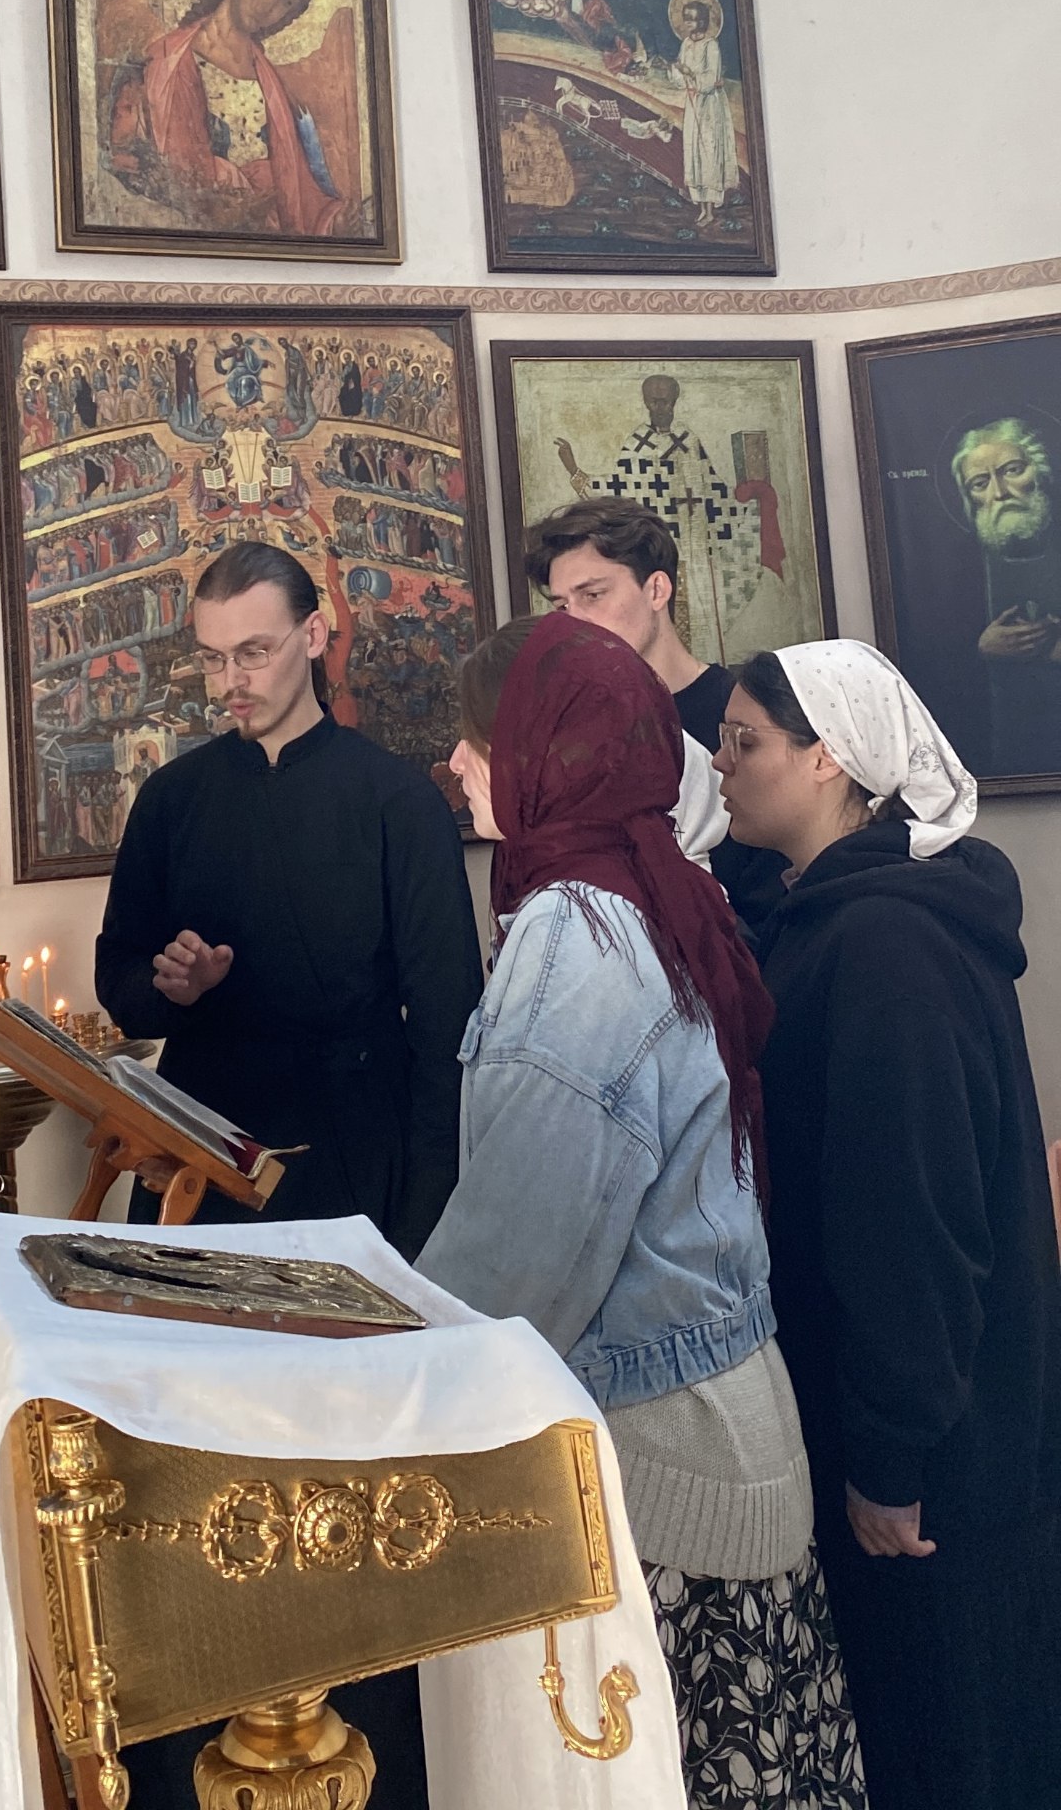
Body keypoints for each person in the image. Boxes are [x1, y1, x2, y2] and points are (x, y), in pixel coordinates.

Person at [417, 614, 865, 1809]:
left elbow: (521, 1254)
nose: (456, 765)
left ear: (542, 754)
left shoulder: (577, 933)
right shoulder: (649, 884)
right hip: (723, 1430)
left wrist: (383, 1359)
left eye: (476, 741)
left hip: (659, 1470)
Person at [95, 538, 481, 1810]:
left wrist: (426, 1227)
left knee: (350, 1493)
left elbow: (449, 1023)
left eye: (255, 651)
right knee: (199, 1475)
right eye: (212, 659)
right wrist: (170, 983)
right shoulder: (174, 798)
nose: (233, 682)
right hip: (201, 1174)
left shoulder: (394, 800)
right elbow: (117, 980)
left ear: (318, 634)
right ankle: (196, 1754)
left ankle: (371, 1760)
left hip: (357, 1180)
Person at [715, 639, 1061, 1810]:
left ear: (830, 759)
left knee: (953, 1728)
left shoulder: (885, 941)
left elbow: (911, 1218)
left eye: (745, 740)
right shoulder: (836, 913)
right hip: (926, 1411)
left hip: (937, 1450)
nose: (721, 763)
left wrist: (891, 1457)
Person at [524, 496, 786, 930]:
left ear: (657, 590)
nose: (574, 623)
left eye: (593, 595)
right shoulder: (570, 737)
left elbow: (775, 876)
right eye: (562, 607)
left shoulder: (739, 713)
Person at [107, 0, 350, 237]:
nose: (272, 8)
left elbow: (298, 187)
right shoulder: (162, 62)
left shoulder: (274, 89)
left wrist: (333, 220)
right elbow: (129, 160)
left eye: (286, 3)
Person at [559, 377, 764, 663]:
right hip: (658, 552)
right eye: (655, 401)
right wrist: (574, 469)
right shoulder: (639, 444)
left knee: (701, 621)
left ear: (674, 401)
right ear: (646, 402)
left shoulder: (687, 440)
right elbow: (618, 489)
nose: (661, 407)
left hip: (694, 551)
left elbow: (713, 489)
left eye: (666, 401)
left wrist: (750, 500)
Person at [951, 413, 1061, 775]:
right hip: (1004, 748)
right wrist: (982, 648)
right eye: (980, 483)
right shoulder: (957, 572)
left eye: (1012, 470)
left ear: (1041, 471)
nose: (999, 493)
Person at [664, 0, 737, 227]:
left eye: (692, 19)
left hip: (710, 106)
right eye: (685, 19)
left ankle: (710, 210)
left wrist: (691, 74)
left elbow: (710, 79)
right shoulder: (686, 44)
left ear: (702, 21)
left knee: (708, 151)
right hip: (693, 102)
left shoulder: (710, 45)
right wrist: (677, 72)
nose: (687, 23)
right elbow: (679, 76)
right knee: (694, 150)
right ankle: (701, 206)